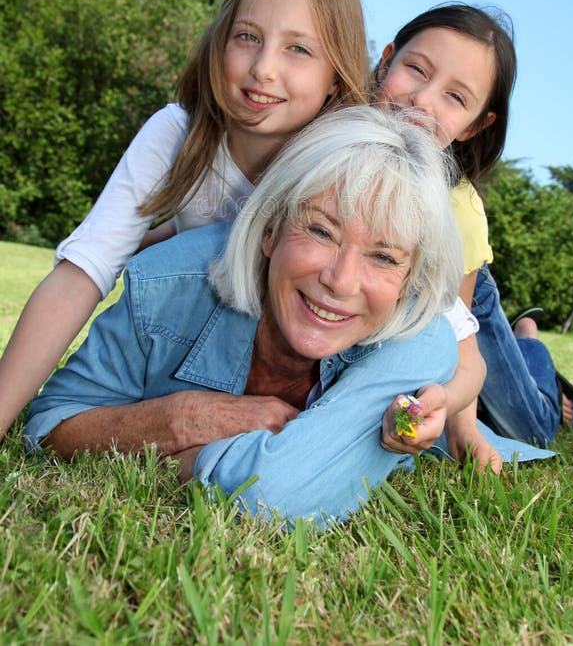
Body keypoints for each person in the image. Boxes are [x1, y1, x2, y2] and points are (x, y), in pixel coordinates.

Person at [24, 107, 464, 527]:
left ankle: (526, 341)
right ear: (270, 229)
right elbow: (48, 427)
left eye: (384, 257)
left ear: (409, 283)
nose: (341, 281)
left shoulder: (417, 340)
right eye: (320, 231)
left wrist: (190, 462)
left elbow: (272, 498)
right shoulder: (168, 286)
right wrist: (185, 418)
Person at [0, 0, 370, 442]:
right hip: (195, 344)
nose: (262, 68)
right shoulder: (176, 133)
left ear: (335, 77)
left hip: (293, 362)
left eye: (298, 49)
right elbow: (82, 273)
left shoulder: (348, 169)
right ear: (220, 42)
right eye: (248, 37)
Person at [376, 5, 566, 463]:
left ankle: (530, 343)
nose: (422, 99)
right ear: (386, 61)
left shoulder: (457, 211)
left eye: (455, 98)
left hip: (464, 298)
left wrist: (463, 428)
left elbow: (454, 335)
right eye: (416, 69)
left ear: (477, 124)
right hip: (392, 293)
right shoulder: (332, 137)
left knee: (531, 428)